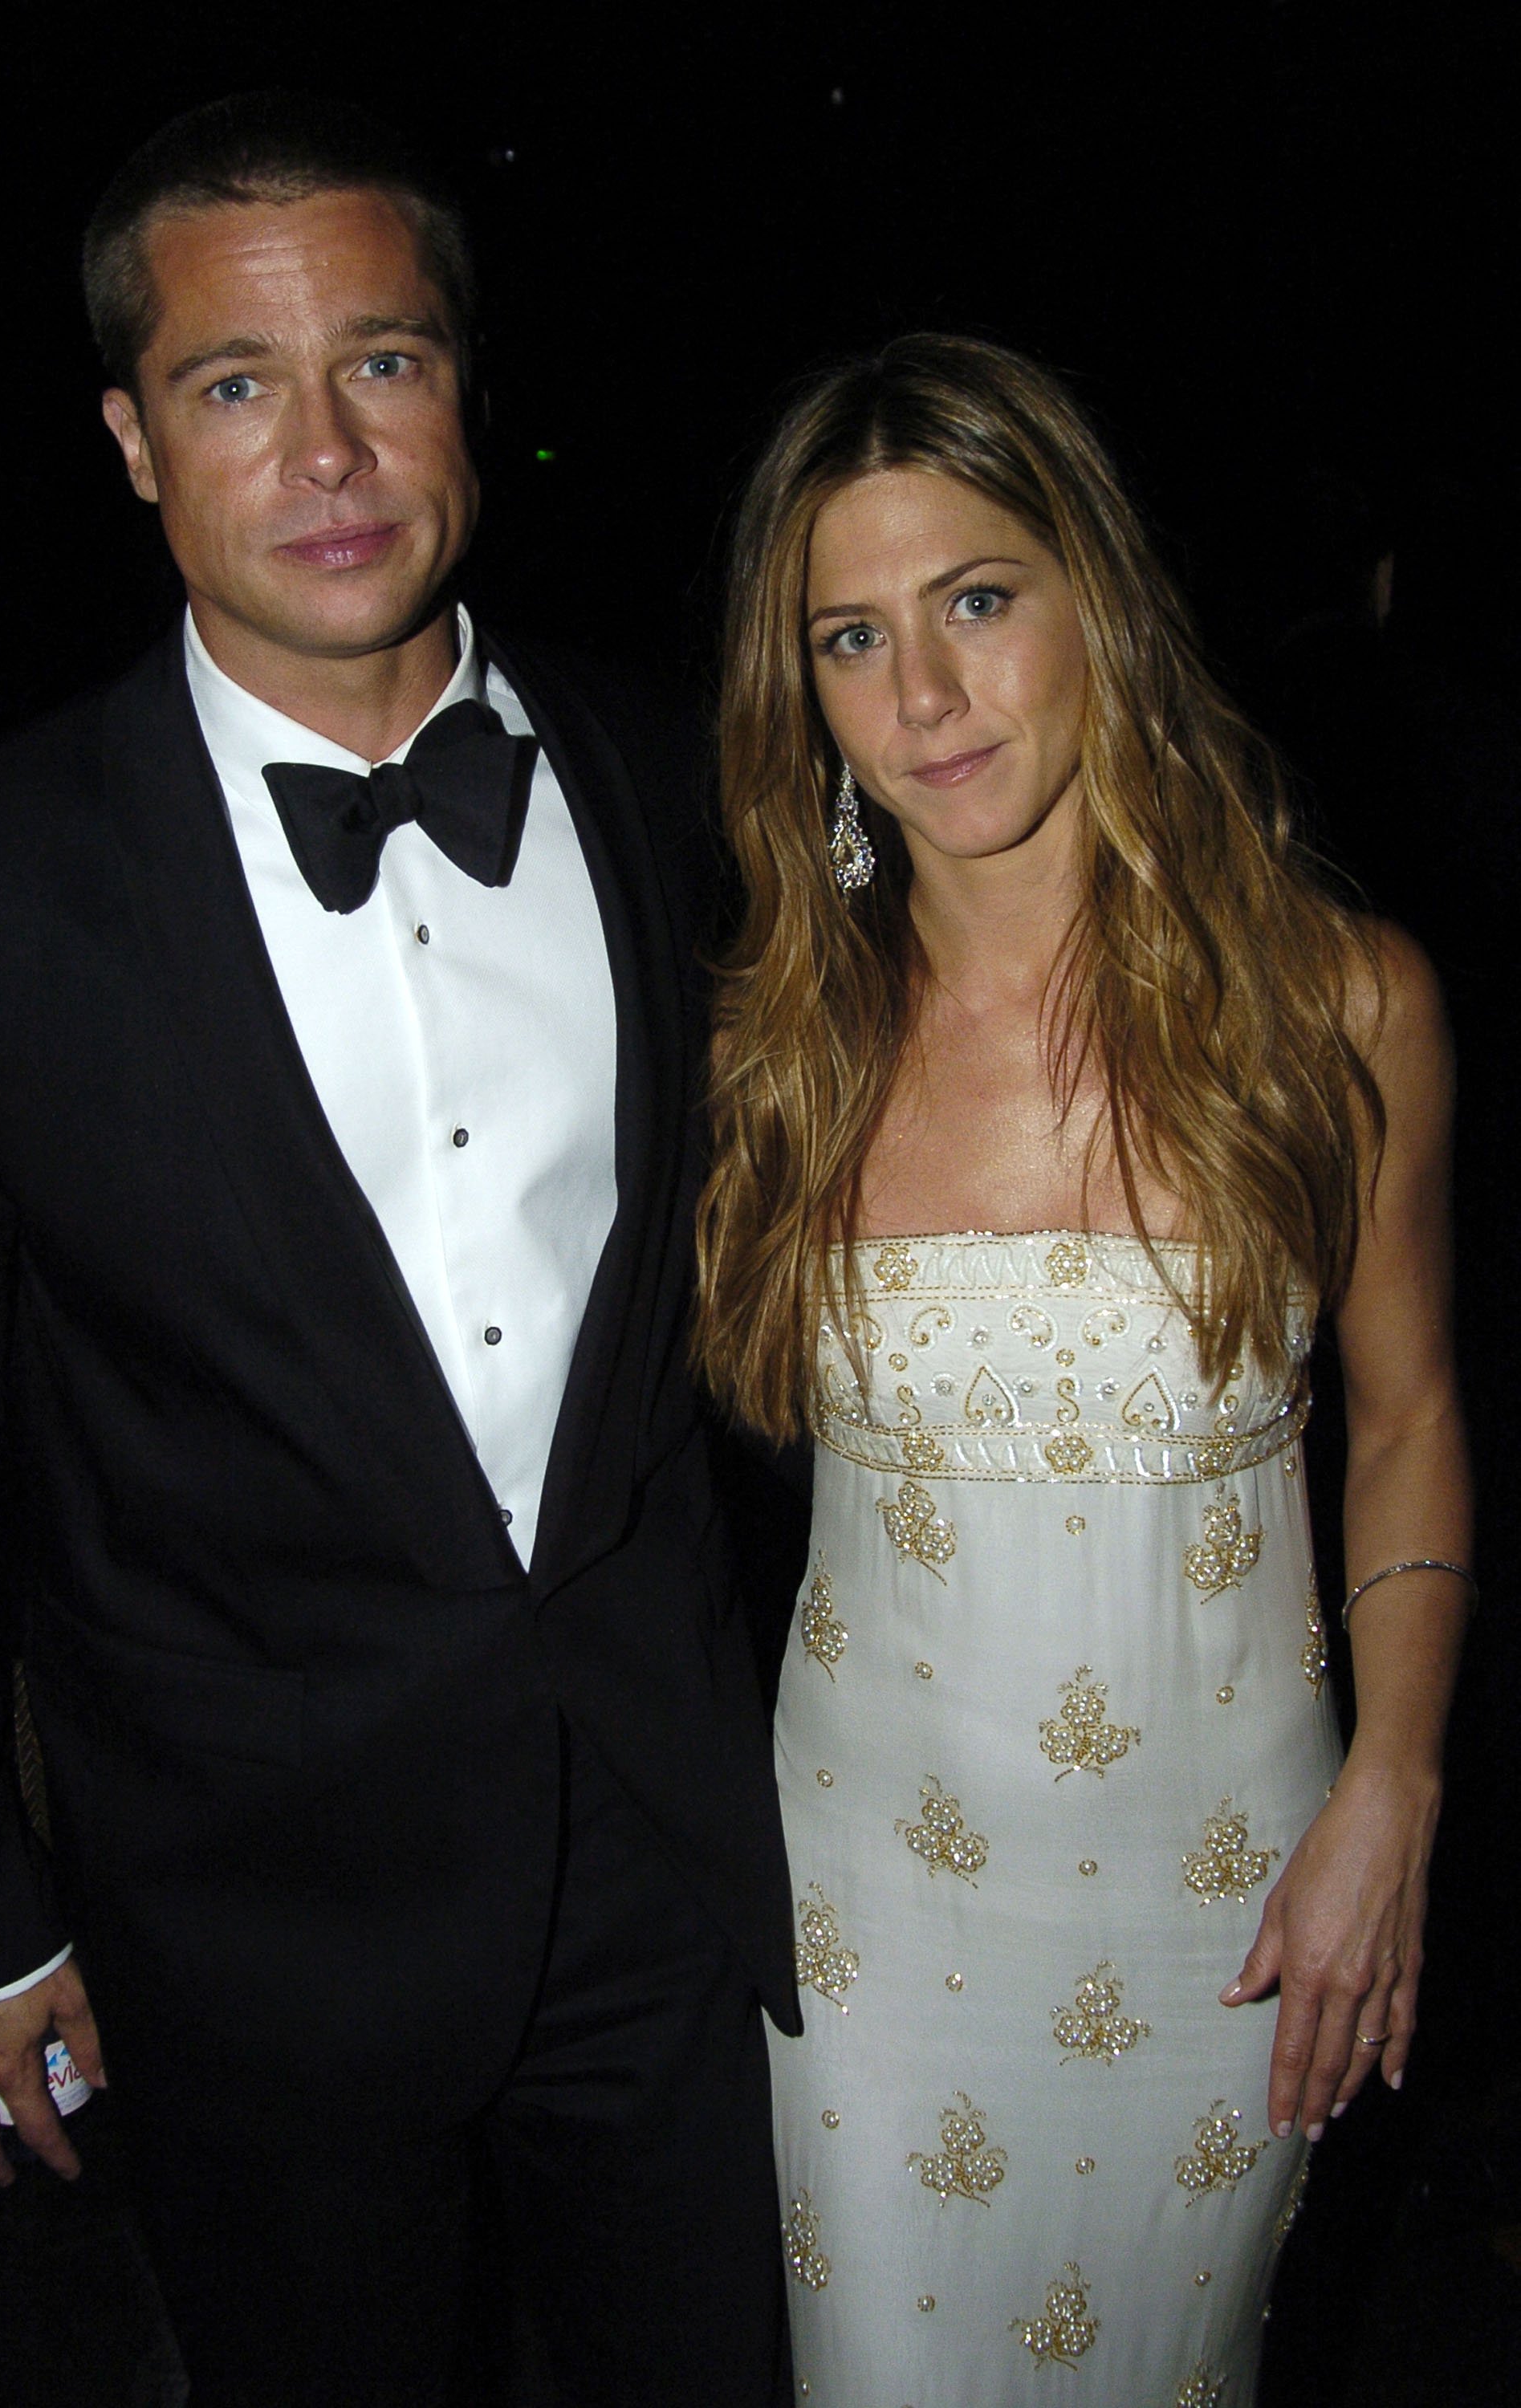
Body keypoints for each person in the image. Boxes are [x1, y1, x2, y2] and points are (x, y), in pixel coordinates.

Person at [0, 92, 795, 2408]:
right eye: (237, 385)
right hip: (245, 1926)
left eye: (388, 361)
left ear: (467, 387)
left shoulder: (688, 783)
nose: (330, 450)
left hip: (673, 1875)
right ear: (136, 443)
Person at [694, 335, 1471, 2406]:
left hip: (1232, 1891)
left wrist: (1395, 1787)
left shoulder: (1338, 1003)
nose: (925, 696)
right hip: (863, 1908)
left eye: (976, 599)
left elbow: (1404, 1419)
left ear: (1094, 600)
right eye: (851, 639)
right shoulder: (775, 1050)